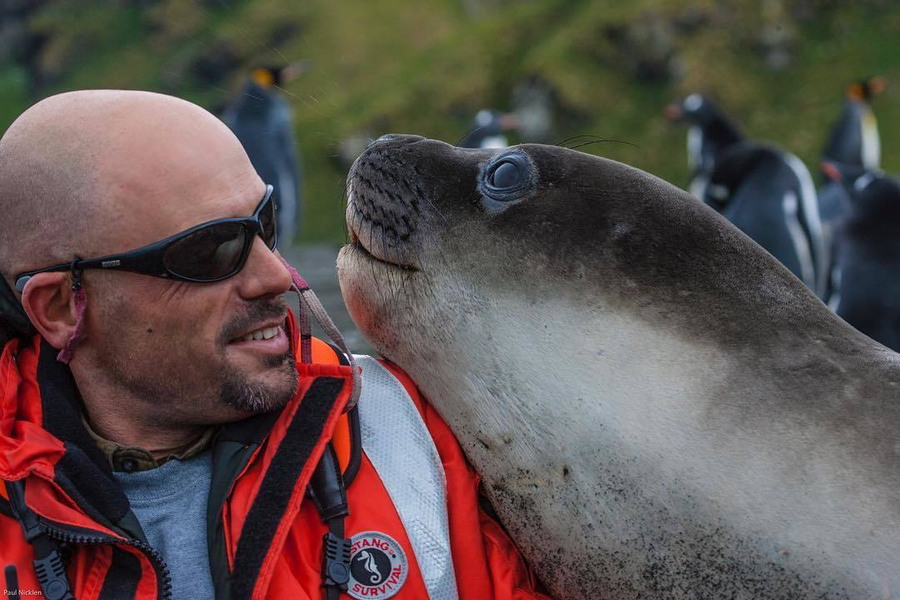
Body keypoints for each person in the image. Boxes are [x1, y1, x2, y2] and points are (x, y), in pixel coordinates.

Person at [0, 90, 551, 600]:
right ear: (59, 307)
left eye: (265, 223)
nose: (275, 276)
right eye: (210, 251)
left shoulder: (414, 434)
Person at [222, 66, 303, 248]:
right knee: (278, 225)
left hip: (241, 196)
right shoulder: (274, 109)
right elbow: (287, 159)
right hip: (275, 186)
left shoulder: (236, 112)